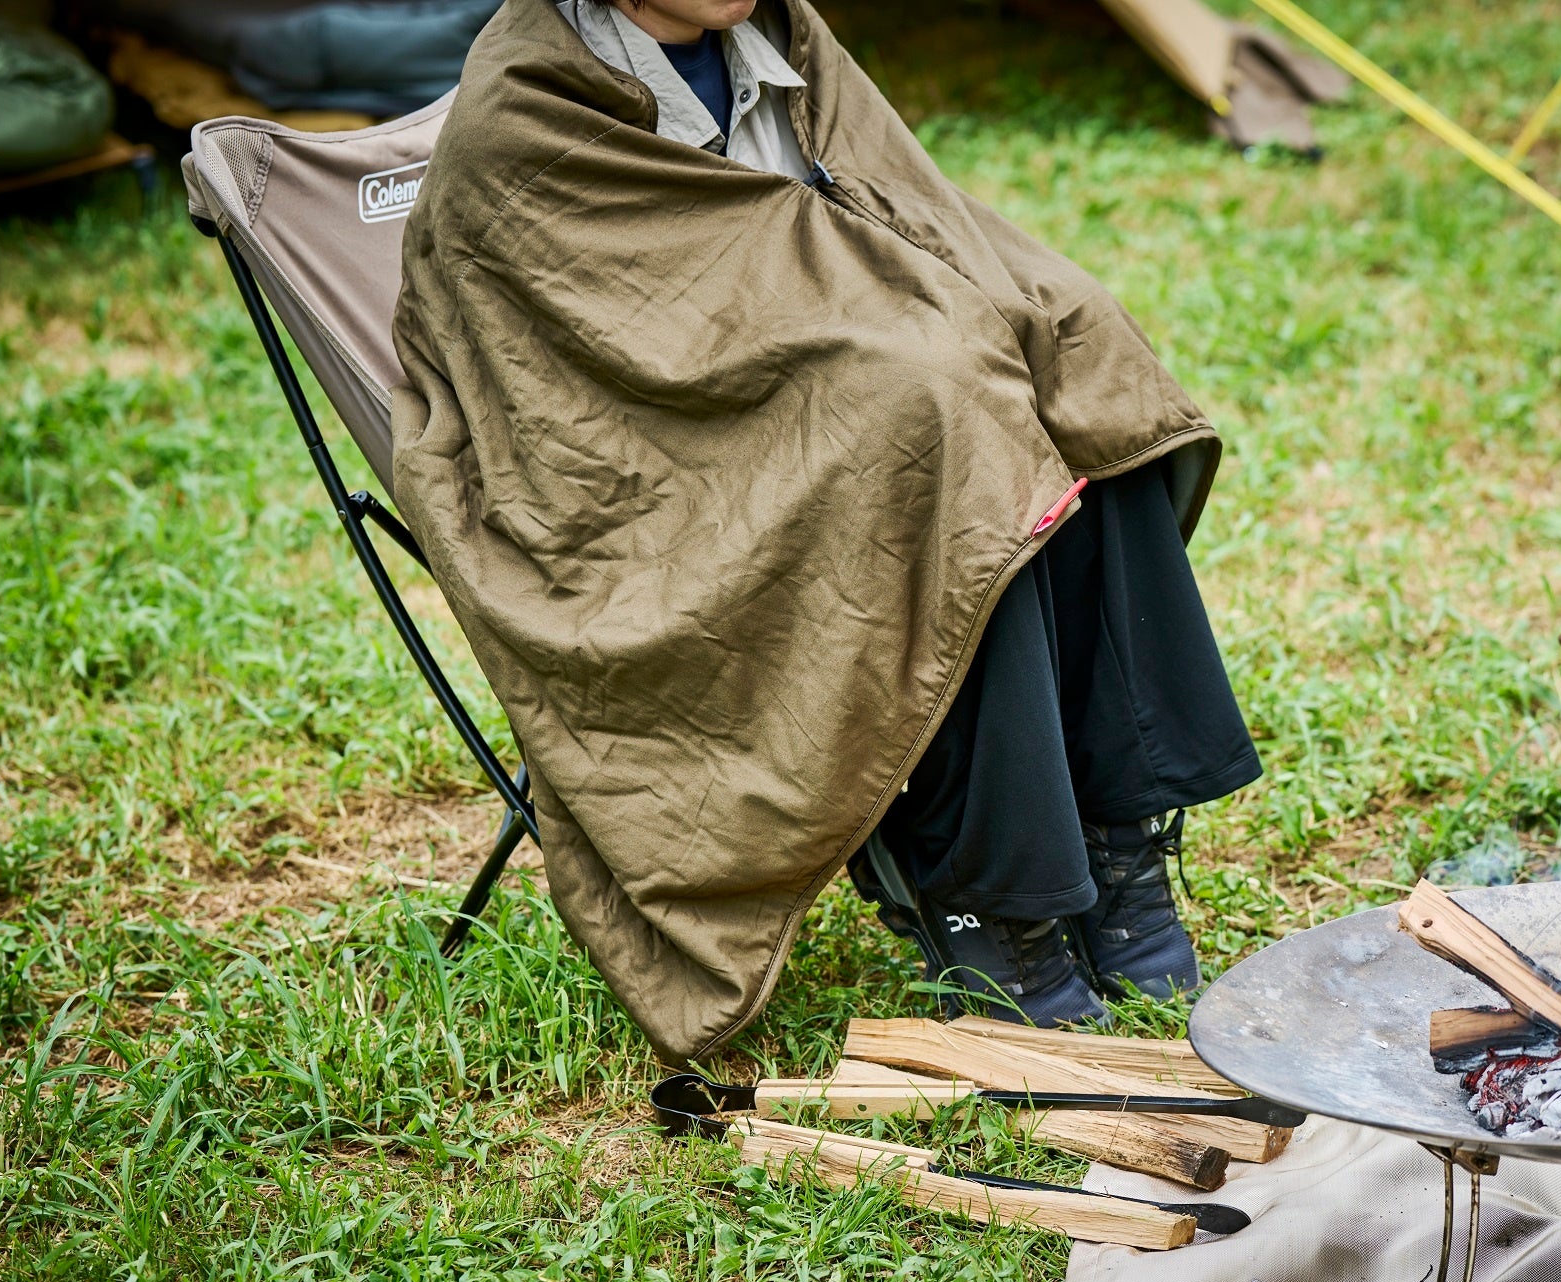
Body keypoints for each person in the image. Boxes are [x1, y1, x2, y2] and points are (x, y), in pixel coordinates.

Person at [391, 0, 1258, 1058]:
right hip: (659, 468)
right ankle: (993, 899)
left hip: (824, 390)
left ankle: (1116, 840)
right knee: (935, 424)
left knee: (1071, 347)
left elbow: (901, 212)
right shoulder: (526, 115)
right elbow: (569, 382)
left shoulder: (786, 38)